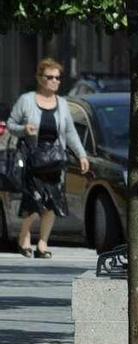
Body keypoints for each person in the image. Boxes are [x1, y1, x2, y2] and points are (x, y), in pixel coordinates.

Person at [6, 58, 89, 258]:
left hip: (55, 160)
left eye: (57, 78)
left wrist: (81, 155)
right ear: (40, 78)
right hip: (32, 159)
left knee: (53, 203)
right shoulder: (26, 100)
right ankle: (24, 237)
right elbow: (10, 125)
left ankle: (42, 244)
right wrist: (24, 129)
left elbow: (69, 132)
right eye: (49, 77)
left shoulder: (61, 103)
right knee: (34, 203)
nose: (54, 81)